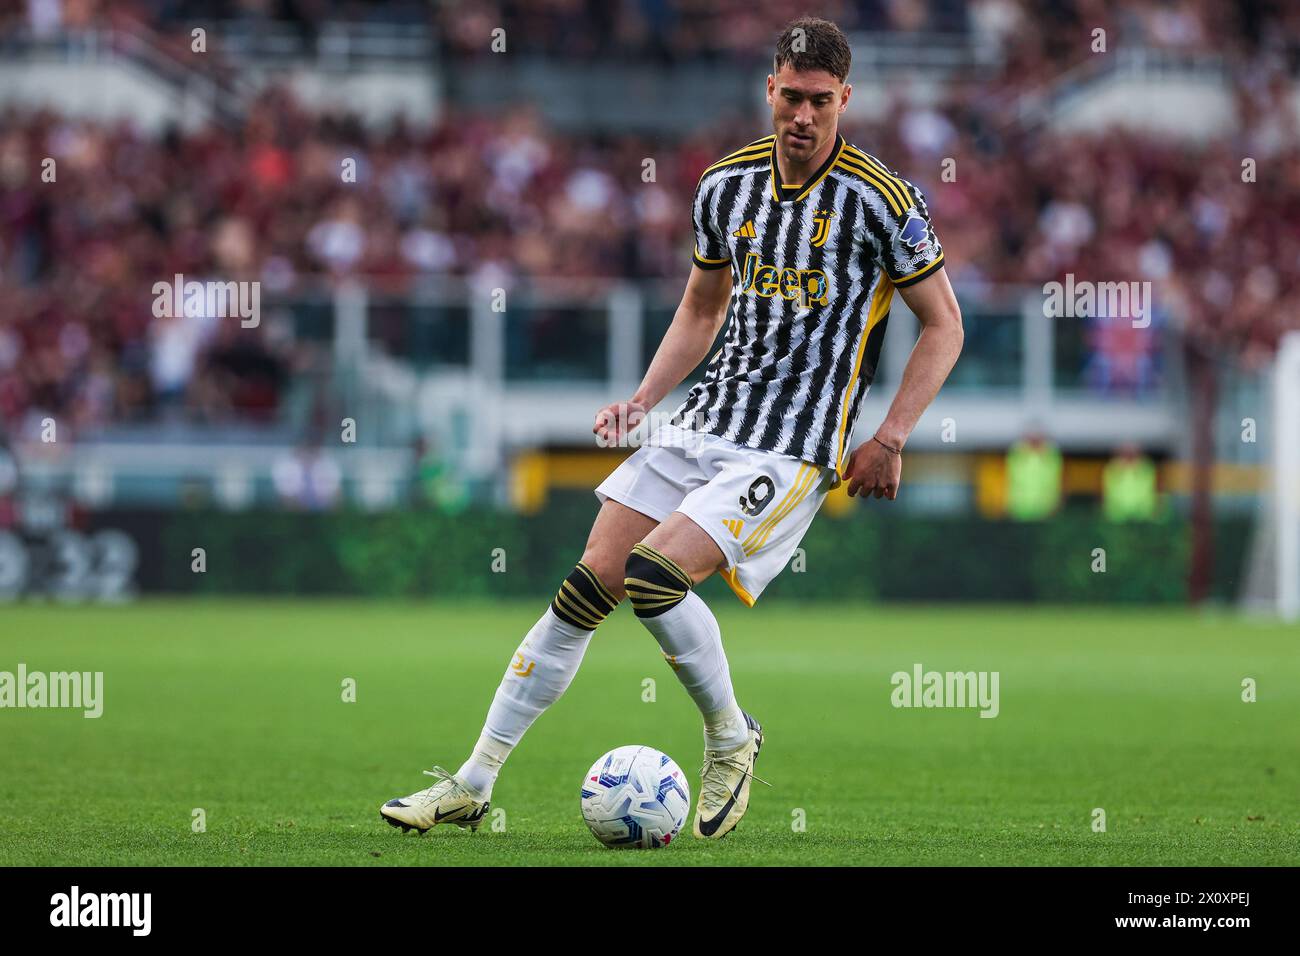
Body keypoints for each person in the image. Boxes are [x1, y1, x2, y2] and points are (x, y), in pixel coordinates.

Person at [380, 16, 964, 839]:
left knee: (656, 579)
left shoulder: (883, 201)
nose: (802, 116)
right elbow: (702, 307)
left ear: (846, 99)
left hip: (793, 441)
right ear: (770, 88)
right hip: (704, 420)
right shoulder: (724, 185)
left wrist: (893, 434)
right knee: (588, 585)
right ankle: (473, 782)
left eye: (820, 103)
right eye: (791, 97)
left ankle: (731, 736)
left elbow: (945, 324)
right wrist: (646, 398)